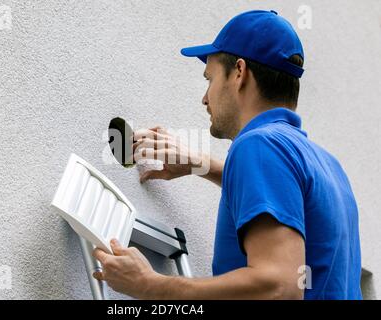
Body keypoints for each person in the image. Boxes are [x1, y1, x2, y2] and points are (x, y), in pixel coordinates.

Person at [93, 10, 362, 300]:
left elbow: (280, 286)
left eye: (209, 78)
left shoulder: (259, 147)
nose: (205, 98)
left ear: (239, 72)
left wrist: (150, 285)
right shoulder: (329, 167)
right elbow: (285, 192)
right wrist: (202, 165)